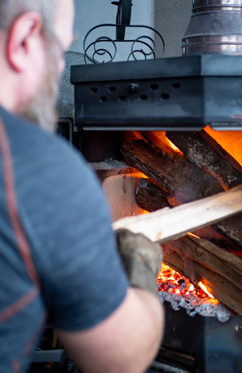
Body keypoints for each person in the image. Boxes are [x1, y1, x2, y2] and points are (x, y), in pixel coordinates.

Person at [0, 0, 165, 372]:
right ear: (24, 39)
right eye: (59, 50)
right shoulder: (36, 166)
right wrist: (140, 269)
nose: (61, 69)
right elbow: (122, 359)